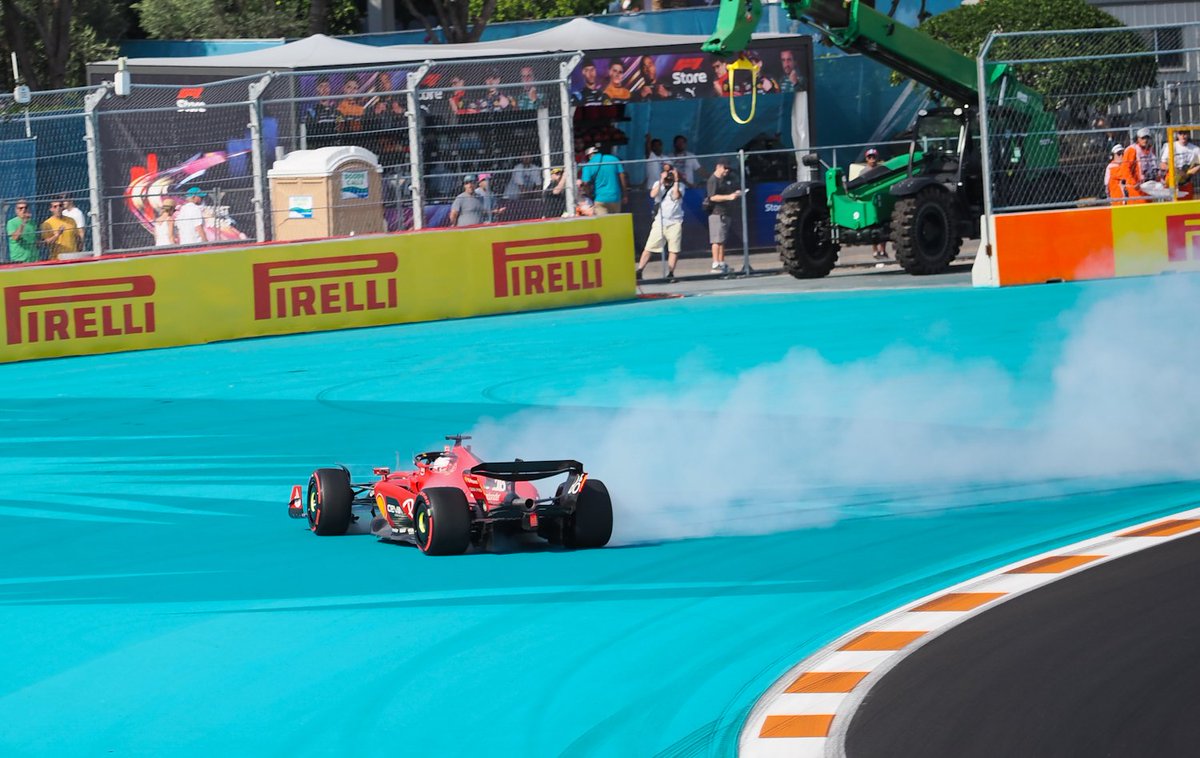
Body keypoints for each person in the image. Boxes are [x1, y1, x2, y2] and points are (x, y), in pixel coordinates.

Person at [635, 162, 685, 282]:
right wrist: (662, 181)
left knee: (674, 249)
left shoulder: (680, 185)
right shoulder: (658, 184)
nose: (668, 175)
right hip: (660, 221)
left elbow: (676, 196)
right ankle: (639, 270)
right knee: (649, 247)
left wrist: (676, 180)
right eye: (666, 172)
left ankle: (671, 273)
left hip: (675, 222)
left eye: (670, 172)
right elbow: (652, 194)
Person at [706, 158, 743, 273]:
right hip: (717, 213)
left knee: (722, 240)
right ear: (718, 166)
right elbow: (712, 197)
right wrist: (729, 197)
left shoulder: (724, 180)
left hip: (726, 213)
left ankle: (721, 263)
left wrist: (735, 194)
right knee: (716, 240)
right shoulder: (713, 180)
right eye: (725, 168)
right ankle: (715, 263)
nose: (726, 170)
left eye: (728, 168)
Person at [579, 144, 627, 215]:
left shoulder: (588, 166)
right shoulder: (614, 159)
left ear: (588, 156)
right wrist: (625, 194)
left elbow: (585, 183)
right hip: (616, 197)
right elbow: (622, 176)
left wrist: (589, 195)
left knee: (603, 220)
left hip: (600, 198)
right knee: (615, 220)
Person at [1114, 127, 1155, 204]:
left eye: (1147, 138)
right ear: (1138, 138)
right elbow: (1125, 169)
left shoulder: (1150, 150)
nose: (1145, 140)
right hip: (1136, 187)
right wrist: (1133, 183)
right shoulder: (1132, 150)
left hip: (1148, 185)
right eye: (1142, 138)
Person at [1160, 130, 1200, 200]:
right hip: (1172, 182)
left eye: (1185, 133)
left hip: (1186, 182)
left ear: (1189, 134)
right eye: (1180, 133)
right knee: (1172, 204)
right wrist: (1177, 171)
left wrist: (1189, 173)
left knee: (1187, 204)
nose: (1183, 136)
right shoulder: (1170, 146)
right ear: (1177, 135)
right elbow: (1162, 164)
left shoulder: (1195, 149)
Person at [6, 199, 38, 263]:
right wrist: (23, 222)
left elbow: (34, 240)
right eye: (20, 208)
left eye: (25, 208)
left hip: (33, 258)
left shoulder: (32, 223)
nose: (23, 210)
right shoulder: (11, 222)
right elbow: (15, 237)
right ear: (16, 210)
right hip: (19, 259)